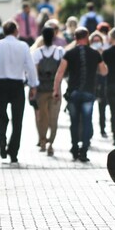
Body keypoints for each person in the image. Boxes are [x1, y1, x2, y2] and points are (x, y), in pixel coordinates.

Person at [0, 20, 39, 165]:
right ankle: (13, 152)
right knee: (18, 119)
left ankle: (2, 141)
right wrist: (33, 85)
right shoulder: (23, 46)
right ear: (16, 31)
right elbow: (30, 67)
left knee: (0, 116)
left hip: (1, 84)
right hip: (17, 86)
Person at [53, 27, 107, 162]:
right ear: (87, 37)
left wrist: (56, 90)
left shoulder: (69, 53)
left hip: (73, 93)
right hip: (89, 92)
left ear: (75, 38)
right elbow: (104, 71)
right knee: (87, 121)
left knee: (74, 121)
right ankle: (84, 150)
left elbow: (60, 73)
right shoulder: (95, 54)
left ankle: (74, 148)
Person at [33, 27, 64, 156]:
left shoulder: (36, 53)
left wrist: (33, 89)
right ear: (54, 37)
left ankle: (42, 141)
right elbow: (62, 72)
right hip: (54, 89)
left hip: (41, 90)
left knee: (42, 118)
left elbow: (34, 74)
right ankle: (51, 143)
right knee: (54, 118)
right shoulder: (59, 52)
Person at [89, 31, 108, 138]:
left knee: (102, 108)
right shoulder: (89, 54)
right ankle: (90, 132)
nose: (96, 43)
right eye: (94, 41)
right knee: (89, 108)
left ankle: (102, 129)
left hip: (102, 82)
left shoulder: (105, 53)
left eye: (98, 41)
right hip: (92, 83)